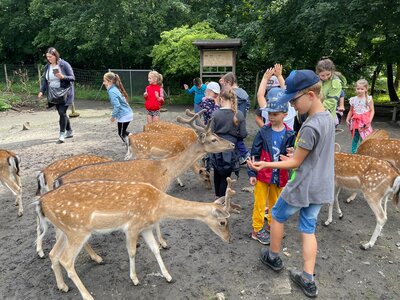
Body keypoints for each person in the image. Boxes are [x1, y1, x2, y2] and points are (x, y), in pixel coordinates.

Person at [247, 70, 335, 298]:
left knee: (276, 214)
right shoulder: (328, 119)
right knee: (308, 228)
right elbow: (312, 155)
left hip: (303, 185)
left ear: (311, 95)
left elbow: (296, 163)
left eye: (295, 100)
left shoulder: (309, 127)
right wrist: (294, 158)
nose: (293, 106)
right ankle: (308, 278)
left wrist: (266, 164)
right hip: (321, 186)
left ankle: (274, 256)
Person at [248, 87, 296, 245]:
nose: (271, 117)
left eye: (275, 114)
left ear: (285, 114)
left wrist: (292, 152)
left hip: (279, 175)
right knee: (260, 202)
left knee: (275, 203)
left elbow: (292, 156)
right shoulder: (263, 131)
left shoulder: (290, 134)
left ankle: (270, 224)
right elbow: (254, 152)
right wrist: (252, 174)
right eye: (269, 114)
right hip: (262, 174)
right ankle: (257, 229)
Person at [210, 88, 247, 198]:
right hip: (231, 149)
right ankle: (222, 200)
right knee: (226, 176)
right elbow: (243, 134)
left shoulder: (215, 114)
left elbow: (210, 133)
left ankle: (218, 197)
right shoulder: (239, 114)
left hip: (217, 149)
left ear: (221, 99)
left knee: (217, 174)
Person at [38, 47, 75, 144]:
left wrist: (63, 77)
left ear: (55, 55)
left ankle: (62, 135)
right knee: (61, 113)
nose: (48, 59)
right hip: (54, 94)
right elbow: (45, 80)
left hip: (65, 93)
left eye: (50, 57)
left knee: (62, 112)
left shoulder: (64, 64)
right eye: (47, 57)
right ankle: (69, 130)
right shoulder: (47, 66)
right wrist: (42, 91)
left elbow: (72, 78)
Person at [220, 72, 250, 164]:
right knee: (238, 141)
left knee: (234, 141)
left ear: (229, 82)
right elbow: (247, 109)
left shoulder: (231, 94)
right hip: (241, 121)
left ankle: (244, 155)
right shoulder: (244, 93)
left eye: (225, 84)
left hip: (232, 122)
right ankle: (240, 157)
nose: (224, 86)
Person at [257, 64, 296, 130]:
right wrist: (279, 76)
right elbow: (288, 91)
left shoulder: (269, 110)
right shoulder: (291, 110)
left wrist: (265, 78)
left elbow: (260, 95)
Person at [103, 72, 133, 145]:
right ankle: (134, 138)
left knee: (121, 133)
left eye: (104, 81)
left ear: (110, 81)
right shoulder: (114, 88)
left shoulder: (112, 91)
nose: (103, 83)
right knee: (123, 132)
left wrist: (114, 116)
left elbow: (117, 106)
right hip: (127, 113)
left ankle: (131, 145)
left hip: (125, 115)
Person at [346, 79, 374, 153]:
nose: (359, 90)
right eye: (358, 88)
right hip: (355, 122)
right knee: (355, 138)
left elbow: (372, 111)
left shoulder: (368, 99)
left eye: (362, 89)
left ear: (366, 89)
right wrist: (347, 119)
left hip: (365, 122)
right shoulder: (353, 99)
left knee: (364, 138)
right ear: (355, 88)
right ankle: (353, 153)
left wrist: (369, 122)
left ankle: (363, 153)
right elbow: (351, 110)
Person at [315, 58, 343, 122]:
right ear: (318, 73)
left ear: (332, 71)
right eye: (322, 75)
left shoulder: (336, 82)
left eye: (328, 74)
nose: (325, 77)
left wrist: (315, 108)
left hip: (327, 115)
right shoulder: (315, 80)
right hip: (315, 113)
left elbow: (331, 101)